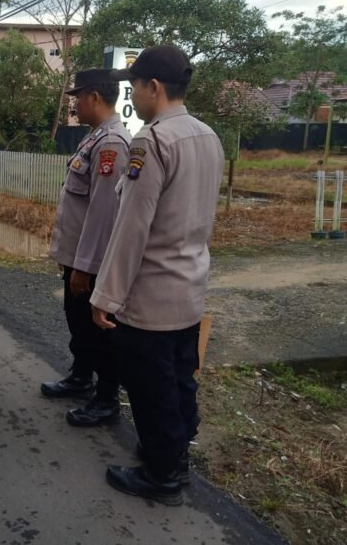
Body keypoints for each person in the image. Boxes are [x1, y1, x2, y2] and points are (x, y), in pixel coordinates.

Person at [89, 45, 225, 505]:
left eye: (135, 87)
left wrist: (106, 295)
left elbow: (132, 228)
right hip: (189, 286)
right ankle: (176, 455)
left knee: (151, 386)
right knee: (181, 378)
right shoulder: (208, 135)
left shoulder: (152, 140)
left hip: (150, 295)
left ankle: (162, 475)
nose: (134, 96)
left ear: (154, 87)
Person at [41, 69, 131, 428]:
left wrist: (85, 267)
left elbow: (103, 213)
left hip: (90, 261)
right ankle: (81, 376)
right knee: (78, 321)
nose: (75, 104)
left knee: (97, 329)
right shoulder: (95, 138)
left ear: (94, 97)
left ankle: (106, 398)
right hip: (77, 256)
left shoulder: (112, 144)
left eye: (78, 97)